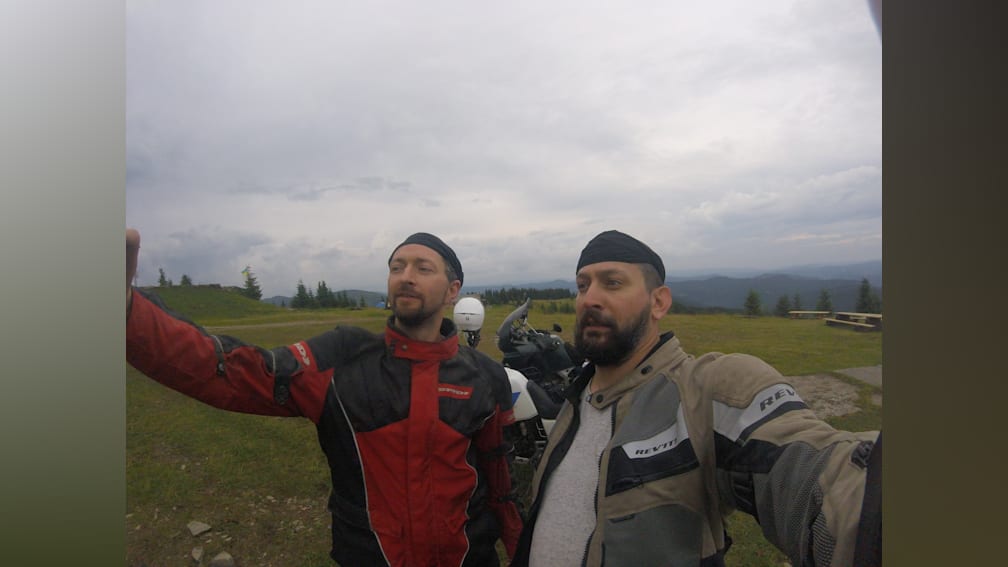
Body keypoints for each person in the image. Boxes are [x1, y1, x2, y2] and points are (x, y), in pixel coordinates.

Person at [125, 229, 523, 567]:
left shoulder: (486, 377)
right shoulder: (343, 358)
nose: (405, 276)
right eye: (397, 267)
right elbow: (234, 372)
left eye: (423, 268)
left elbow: (500, 485)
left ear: (453, 291)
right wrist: (128, 314)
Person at [511, 230, 881, 567]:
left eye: (612, 283)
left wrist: (871, 509)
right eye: (581, 285)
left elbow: (816, 479)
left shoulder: (705, 391)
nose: (590, 298)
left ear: (658, 302)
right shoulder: (576, 399)